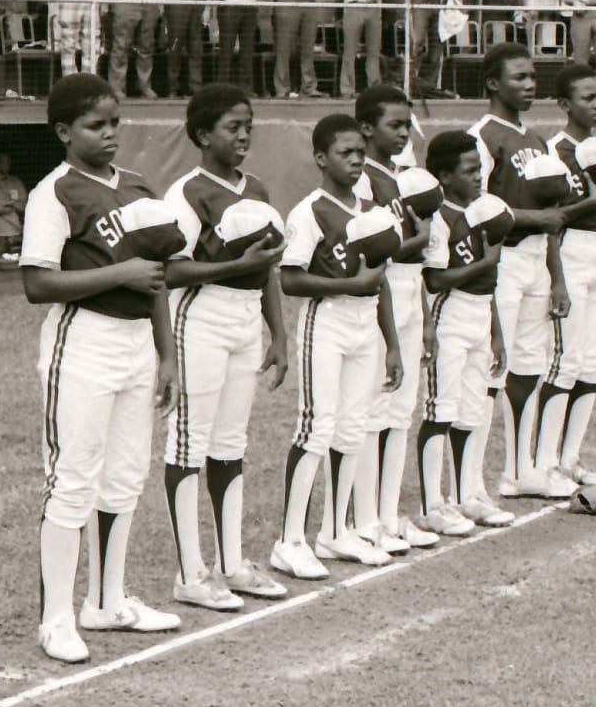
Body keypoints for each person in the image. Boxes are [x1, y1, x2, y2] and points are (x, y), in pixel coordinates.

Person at [20, 74, 182, 664]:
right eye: (95, 125)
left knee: (125, 476)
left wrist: (167, 354)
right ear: (64, 132)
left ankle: (108, 601)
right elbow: (37, 283)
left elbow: (158, 275)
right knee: (72, 480)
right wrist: (120, 275)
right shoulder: (55, 192)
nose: (109, 134)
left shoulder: (139, 186)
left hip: (138, 342)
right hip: (82, 339)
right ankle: (56, 617)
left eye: (114, 122)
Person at [159, 84, 290, 608]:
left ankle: (231, 563)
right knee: (189, 442)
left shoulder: (255, 187)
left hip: (244, 319)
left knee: (231, 442)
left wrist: (278, 333)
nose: (243, 136)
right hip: (201, 317)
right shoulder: (187, 193)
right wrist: (236, 266)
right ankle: (190, 575)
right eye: (232, 128)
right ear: (201, 135)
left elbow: (269, 266)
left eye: (248, 127)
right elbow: (171, 269)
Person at [273, 114, 403, 578]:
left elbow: (380, 281)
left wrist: (393, 344)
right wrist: (350, 282)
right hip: (325, 321)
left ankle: (334, 530)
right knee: (317, 426)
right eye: (344, 153)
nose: (355, 161)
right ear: (321, 158)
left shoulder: (372, 211)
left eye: (360, 153)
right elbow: (290, 279)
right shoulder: (309, 210)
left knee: (353, 426)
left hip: (365, 324)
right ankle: (289, 540)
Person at [469, 44, 571, 501]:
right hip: (502, 260)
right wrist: (536, 222)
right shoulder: (483, 137)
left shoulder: (537, 141)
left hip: (535, 262)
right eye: (519, 78)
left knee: (530, 367)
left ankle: (519, 469)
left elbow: (549, 212)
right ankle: (471, 482)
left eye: (533, 77)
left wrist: (558, 277)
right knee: (493, 368)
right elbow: (477, 210)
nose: (530, 85)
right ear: (493, 83)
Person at [352, 85, 438, 552]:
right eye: (395, 125)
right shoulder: (364, 179)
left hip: (407, 293)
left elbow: (413, 262)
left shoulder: (400, 179)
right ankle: (365, 518)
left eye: (407, 125)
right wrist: (417, 238)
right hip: (381, 297)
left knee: (400, 411)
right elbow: (373, 256)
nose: (404, 133)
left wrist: (424, 319)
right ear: (366, 128)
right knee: (371, 411)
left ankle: (388, 513)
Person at [417, 129, 511, 535]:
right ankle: (430, 502)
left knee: (474, 410)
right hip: (450, 317)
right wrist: (485, 260)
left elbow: (487, 285)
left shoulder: (482, 212)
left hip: (479, 314)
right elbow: (437, 281)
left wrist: (497, 333)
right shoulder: (440, 218)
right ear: (445, 176)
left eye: (480, 170)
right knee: (441, 409)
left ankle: (468, 492)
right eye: (470, 171)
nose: (478, 178)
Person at [544, 66, 596, 482]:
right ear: (564, 105)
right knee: (566, 359)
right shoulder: (553, 151)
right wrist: (556, 278)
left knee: (594, 362)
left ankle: (570, 458)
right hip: (570, 250)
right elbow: (551, 220)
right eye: (588, 98)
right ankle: (543, 461)